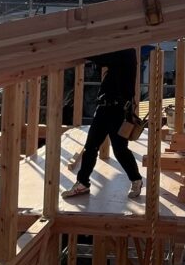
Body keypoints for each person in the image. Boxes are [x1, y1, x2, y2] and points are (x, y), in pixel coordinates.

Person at [62, 47, 144, 200]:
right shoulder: (119, 54)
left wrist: (82, 51)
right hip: (104, 108)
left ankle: (136, 180)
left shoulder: (127, 52)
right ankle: (82, 183)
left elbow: (104, 58)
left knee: (120, 149)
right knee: (91, 147)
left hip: (118, 109)